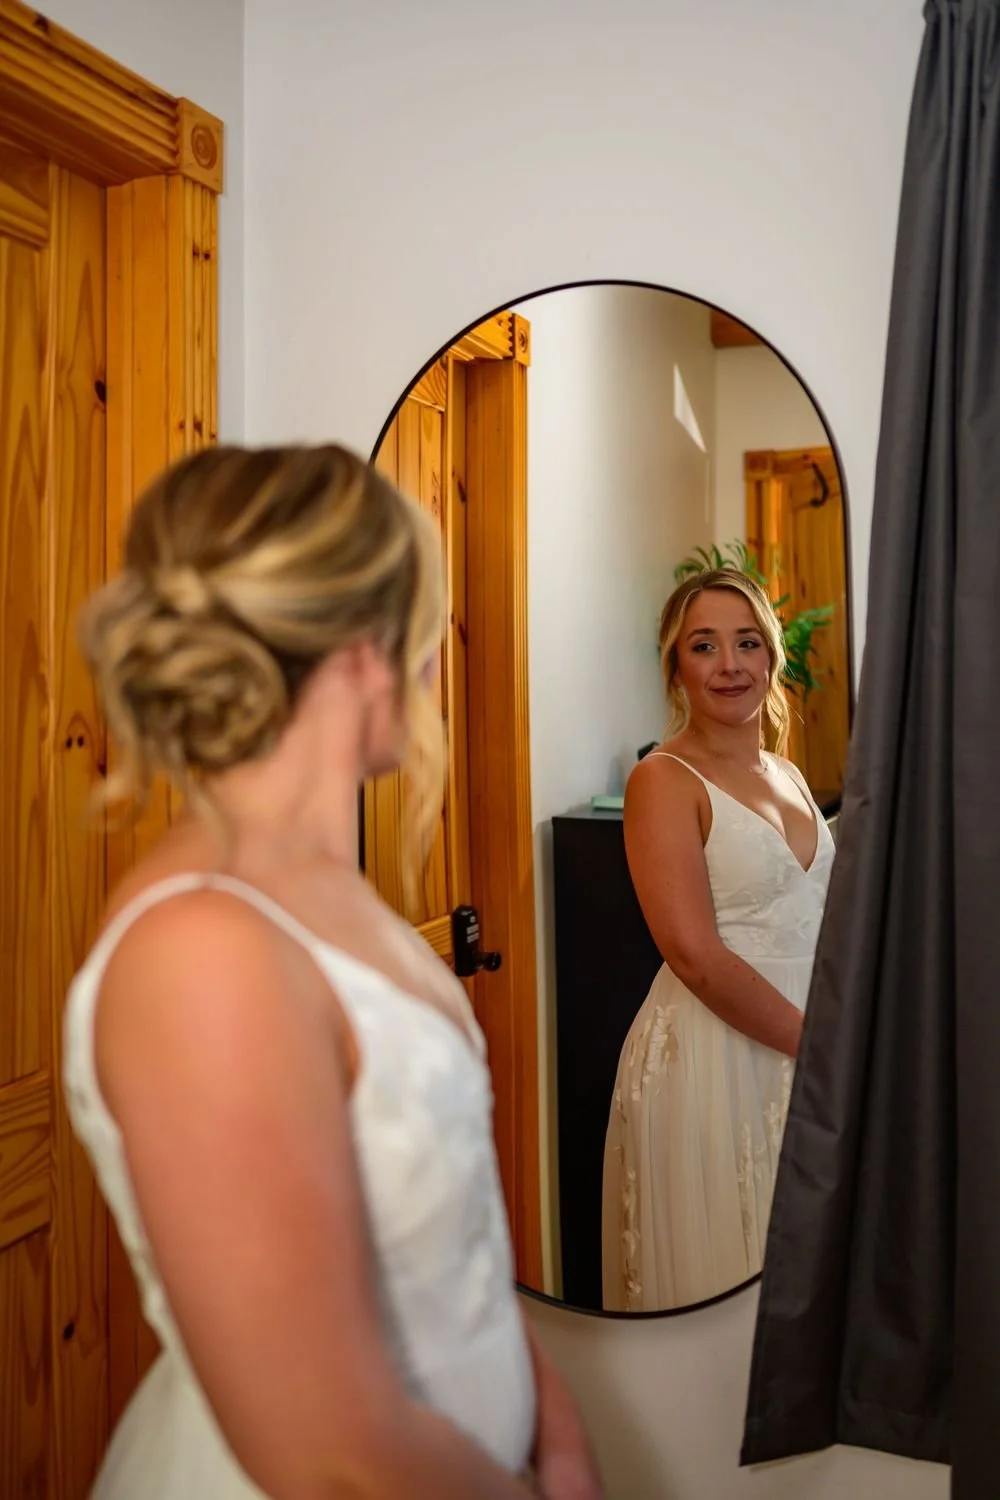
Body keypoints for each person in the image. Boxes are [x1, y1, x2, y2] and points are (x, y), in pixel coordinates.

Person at [64, 445, 603, 1500]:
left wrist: (560, 1432)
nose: (437, 657)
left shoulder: (331, 889)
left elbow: (450, 1238)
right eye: (427, 619)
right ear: (366, 645)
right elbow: (330, 1456)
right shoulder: (202, 953)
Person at [601, 569, 835, 1314]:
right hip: (718, 1054)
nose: (730, 665)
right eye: (704, 646)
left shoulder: (788, 772)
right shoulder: (662, 780)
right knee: (731, 1285)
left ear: (772, 656)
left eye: (747, 643)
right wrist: (822, 1049)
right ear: (676, 667)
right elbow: (695, 957)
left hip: (811, 1039)